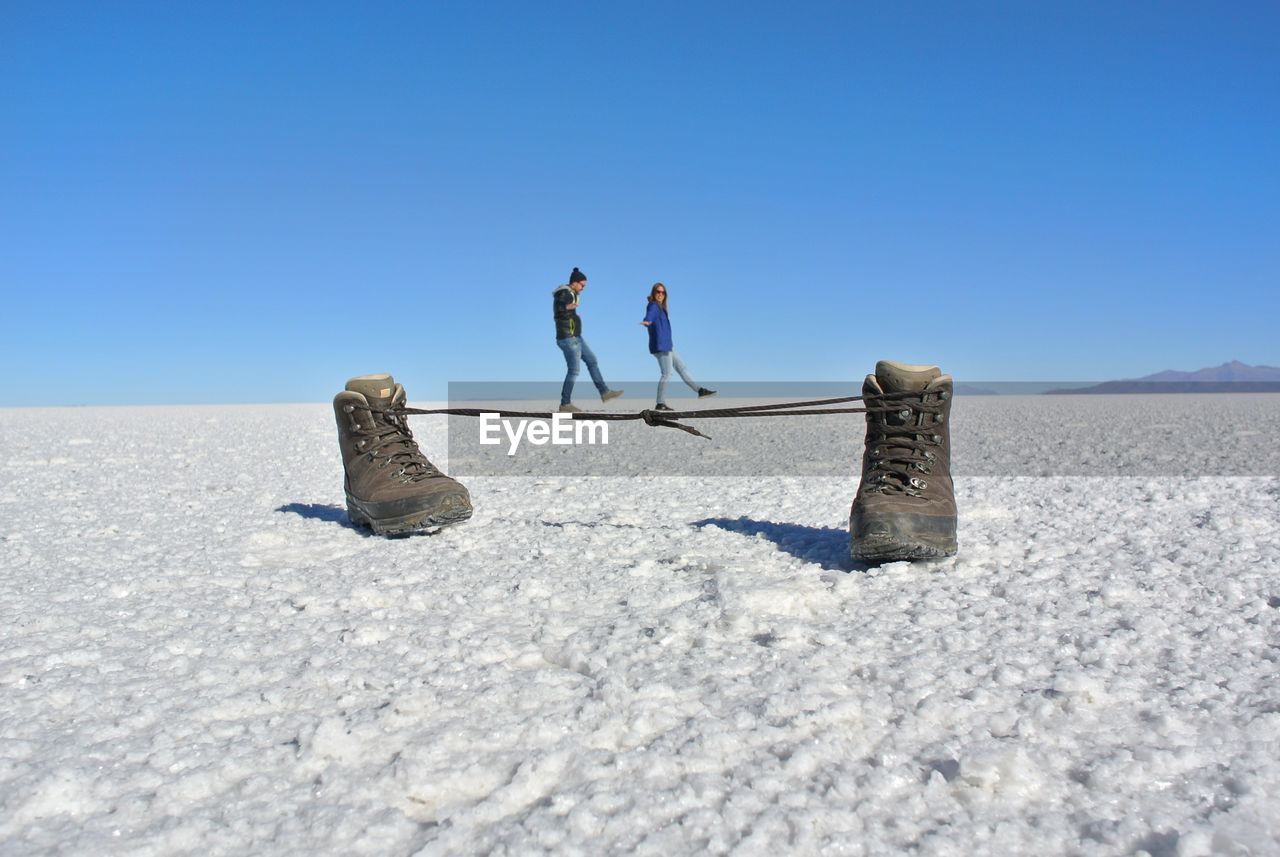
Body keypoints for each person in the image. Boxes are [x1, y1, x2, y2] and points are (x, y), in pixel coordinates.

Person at [553, 267, 623, 413]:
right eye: (582, 285)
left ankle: (604, 392)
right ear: (574, 283)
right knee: (574, 370)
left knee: (592, 360)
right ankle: (565, 404)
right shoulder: (564, 293)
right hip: (568, 338)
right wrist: (566, 307)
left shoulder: (571, 293)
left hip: (576, 337)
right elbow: (560, 304)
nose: (583, 288)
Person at [639, 282, 715, 411]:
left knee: (682, 368)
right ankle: (660, 403)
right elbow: (650, 315)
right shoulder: (653, 306)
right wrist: (647, 321)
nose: (660, 294)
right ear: (653, 293)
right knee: (667, 374)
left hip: (668, 345)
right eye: (658, 292)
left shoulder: (662, 308)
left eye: (663, 292)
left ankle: (700, 390)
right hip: (661, 345)